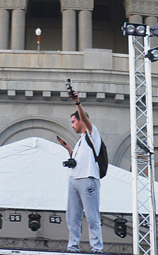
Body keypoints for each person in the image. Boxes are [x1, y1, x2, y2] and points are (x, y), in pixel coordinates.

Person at [57, 89, 103, 253]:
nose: (72, 125)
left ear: (81, 121)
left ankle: (97, 248)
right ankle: (73, 246)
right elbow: (77, 162)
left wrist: (77, 102)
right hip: (74, 179)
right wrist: (69, 150)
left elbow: (85, 119)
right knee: (73, 217)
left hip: (88, 179)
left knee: (91, 216)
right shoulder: (79, 142)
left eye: (73, 121)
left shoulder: (92, 134)